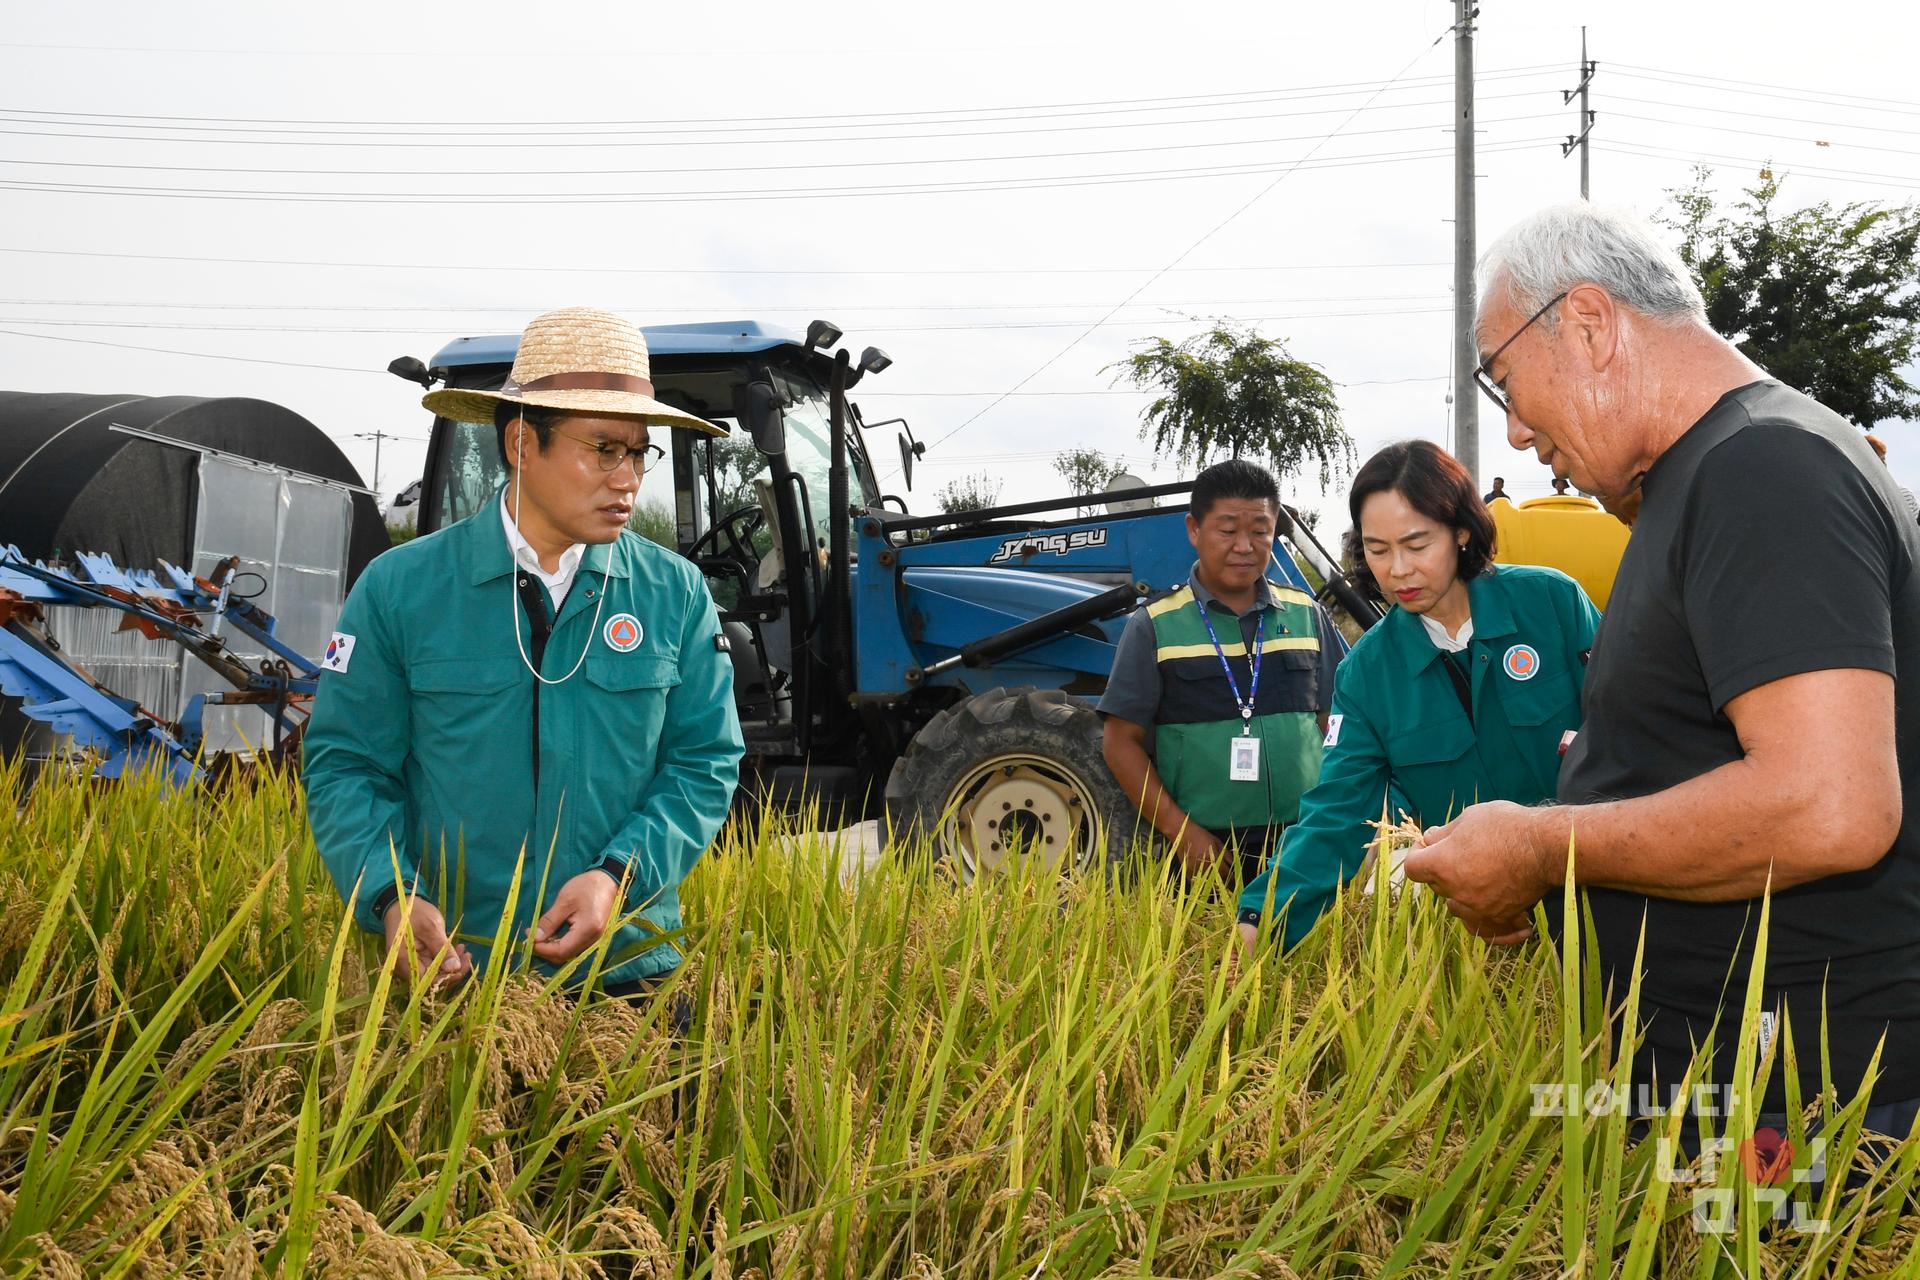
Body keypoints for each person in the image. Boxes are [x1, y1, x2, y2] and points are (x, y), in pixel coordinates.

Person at [1406, 203, 1920, 1136]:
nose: (1517, 433)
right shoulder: (1710, 476)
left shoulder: (1761, 468)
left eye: (1506, 382)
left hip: (1803, 1110)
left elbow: (1831, 806)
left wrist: (1538, 845)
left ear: (1592, 324)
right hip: (1745, 1083)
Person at [304, 307, 745, 998]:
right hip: (454, 972)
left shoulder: (674, 592)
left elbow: (705, 762)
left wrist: (617, 875)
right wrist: (391, 895)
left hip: (628, 974)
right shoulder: (400, 589)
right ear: (519, 443)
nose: (628, 478)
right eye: (604, 448)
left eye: (639, 452)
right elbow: (347, 766)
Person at [1235, 441, 1599, 953]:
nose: (1398, 570)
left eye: (1417, 544)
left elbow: (1633, 735)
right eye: (1378, 550)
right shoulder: (1366, 673)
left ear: (1461, 531)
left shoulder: (1552, 603)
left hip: (1603, 892)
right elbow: (1336, 812)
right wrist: (1256, 925)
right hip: (1487, 929)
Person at [1099, 459, 1340, 882]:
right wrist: (1181, 832)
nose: (1245, 546)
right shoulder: (1154, 625)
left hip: (1304, 846)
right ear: (1195, 530)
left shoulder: (1307, 615)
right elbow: (1120, 745)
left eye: (1260, 531)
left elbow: (1336, 725)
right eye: (1228, 531)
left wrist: (1335, 821)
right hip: (1202, 853)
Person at [1864, 433, 1919, 521]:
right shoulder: (1860, 497)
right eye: (1877, 460)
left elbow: (1916, 529)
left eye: (1883, 459)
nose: (1882, 464)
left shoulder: (1904, 493)